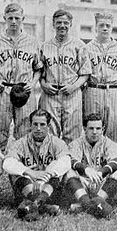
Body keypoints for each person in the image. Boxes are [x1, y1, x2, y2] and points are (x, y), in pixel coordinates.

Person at [0, 3, 43, 153]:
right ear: (5, 19)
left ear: (23, 18)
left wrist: (33, 82)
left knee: (25, 131)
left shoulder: (33, 42)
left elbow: (38, 69)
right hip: (1, 90)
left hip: (24, 90)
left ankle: (22, 167)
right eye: (10, 18)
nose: (14, 21)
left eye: (17, 18)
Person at [3, 109, 72, 221]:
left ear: (48, 126)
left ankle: (33, 204)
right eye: (35, 124)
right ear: (30, 125)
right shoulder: (21, 143)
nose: (38, 128)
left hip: (48, 188)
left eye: (42, 124)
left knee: (56, 165)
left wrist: (44, 178)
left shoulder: (57, 143)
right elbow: (7, 163)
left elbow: (66, 162)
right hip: (27, 185)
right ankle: (43, 206)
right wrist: (30, 172)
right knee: (15, 170)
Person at [39, 9, 87, 144]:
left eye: (65, 23)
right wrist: (44, 85)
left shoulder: (79, 45)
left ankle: (70, 162)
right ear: (53, 24)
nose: (62, 26)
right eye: (58, 22)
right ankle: (52, 162)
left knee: (72, 133)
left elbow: (85, 73)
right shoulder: (45, 46)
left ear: (70, 24)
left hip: (72, 93)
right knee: (50, 132)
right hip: (50, 94)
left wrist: (74, 86)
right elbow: (39, 72)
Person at [66, 113, 117, 218]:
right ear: (85, 129)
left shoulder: (108, 143)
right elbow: (71, 160)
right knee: (68, 172)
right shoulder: (77, 143)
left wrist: (101, 172)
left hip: (101, 184)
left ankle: (90, 203)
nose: (94, 132)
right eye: (91, 128)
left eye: (98, 128)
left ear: (102, 129)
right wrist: (86, 169)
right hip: (82, 184)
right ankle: (90, 204)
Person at [83, 12, 117, 149]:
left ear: (112, 27)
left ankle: (113, 161)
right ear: (95, 27)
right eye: (101, 25)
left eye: (108, 25)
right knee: (92, 128)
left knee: (114, 128)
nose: (105, 28)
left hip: (113, 90)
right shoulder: (87, 48)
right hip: (93, 88)